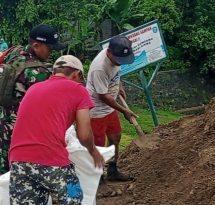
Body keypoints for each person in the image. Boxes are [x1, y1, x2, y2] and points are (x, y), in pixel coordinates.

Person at [9, 55, 105, 204]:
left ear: (54, 72)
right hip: (50, 158)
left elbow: (39, 122)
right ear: (77, 74)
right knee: (73, 196)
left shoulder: (34, 88)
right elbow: (84, 134)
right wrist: (93, 151)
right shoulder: (78, 89)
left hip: (18, 159)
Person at [0, 24, 65, 176]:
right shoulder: (37, 73)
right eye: (50, 48)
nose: (51, 53)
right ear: (36, 45)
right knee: (19, 174)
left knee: (4, 168)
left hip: (4, 121)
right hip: (20, 129)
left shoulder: (15, 53)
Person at [86, 35, 137, 181]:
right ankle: (97, 175)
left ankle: (113, 170)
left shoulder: (116, 56)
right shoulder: (99, 68)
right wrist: (124, 110)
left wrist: (119, 86)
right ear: (109, 53)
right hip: (96, 110)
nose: (120, 63)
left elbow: (116, 74)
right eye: (118, 60)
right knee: (98, 144)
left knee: (115, 137)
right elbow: (103, 96)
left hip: (109, 108)